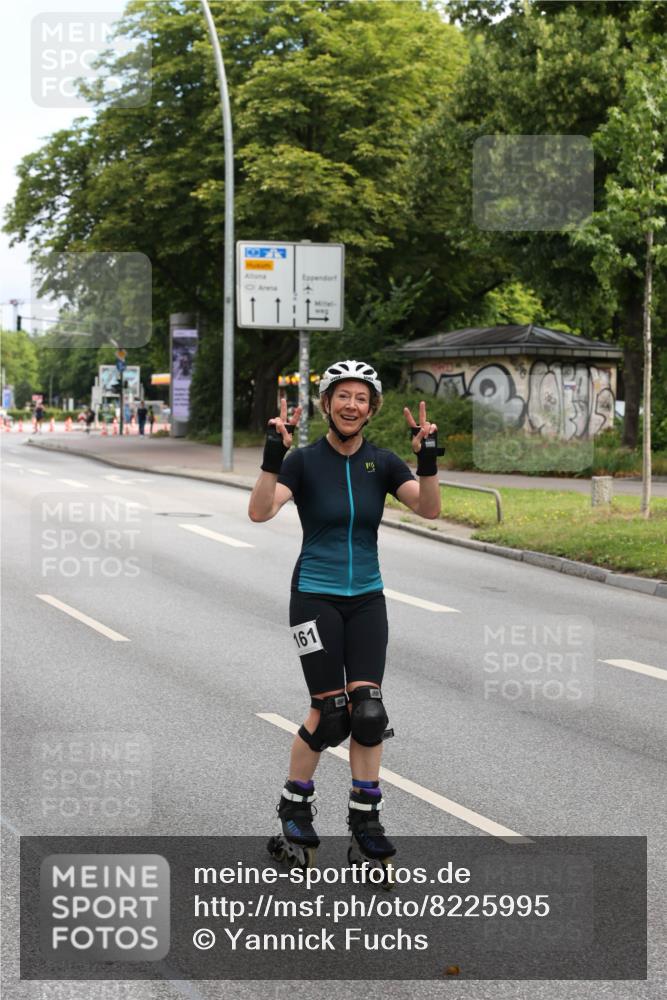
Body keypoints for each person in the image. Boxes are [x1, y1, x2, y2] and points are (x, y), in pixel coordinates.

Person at [248, 360, 442, 878]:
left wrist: (426, 459)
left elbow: (429, 510)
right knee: (331, 712)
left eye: (361, 398)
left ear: (371, 409)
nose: (351, 405)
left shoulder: (383, 463)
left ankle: (366, 820)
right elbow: (260, 511)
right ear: (327, 404)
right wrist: (272, 457)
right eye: (342, 396)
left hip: (367, 600)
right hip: (313, 598)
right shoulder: (304, 461)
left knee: (369, 712)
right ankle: (295, 807)